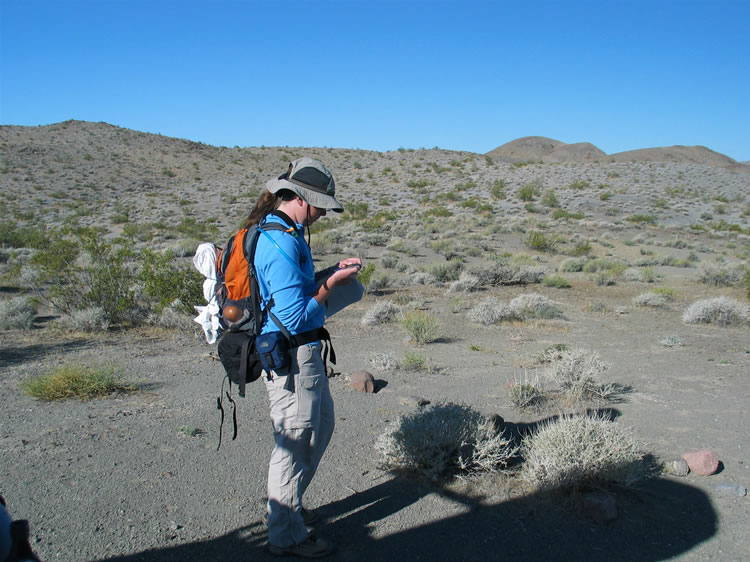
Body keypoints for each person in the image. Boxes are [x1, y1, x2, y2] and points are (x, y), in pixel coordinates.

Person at [245, 157, 361, 558]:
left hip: (300, 359)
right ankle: (285, 534)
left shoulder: (284, 233)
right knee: (295, 443)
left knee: (318, 428)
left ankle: (286, 506)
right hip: (293, 362)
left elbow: (291, 294)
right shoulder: (280, 242)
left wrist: (330, 272)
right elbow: (294, 317)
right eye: (321, 207)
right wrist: (331, 283)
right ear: (300, 199)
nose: (323, 215)